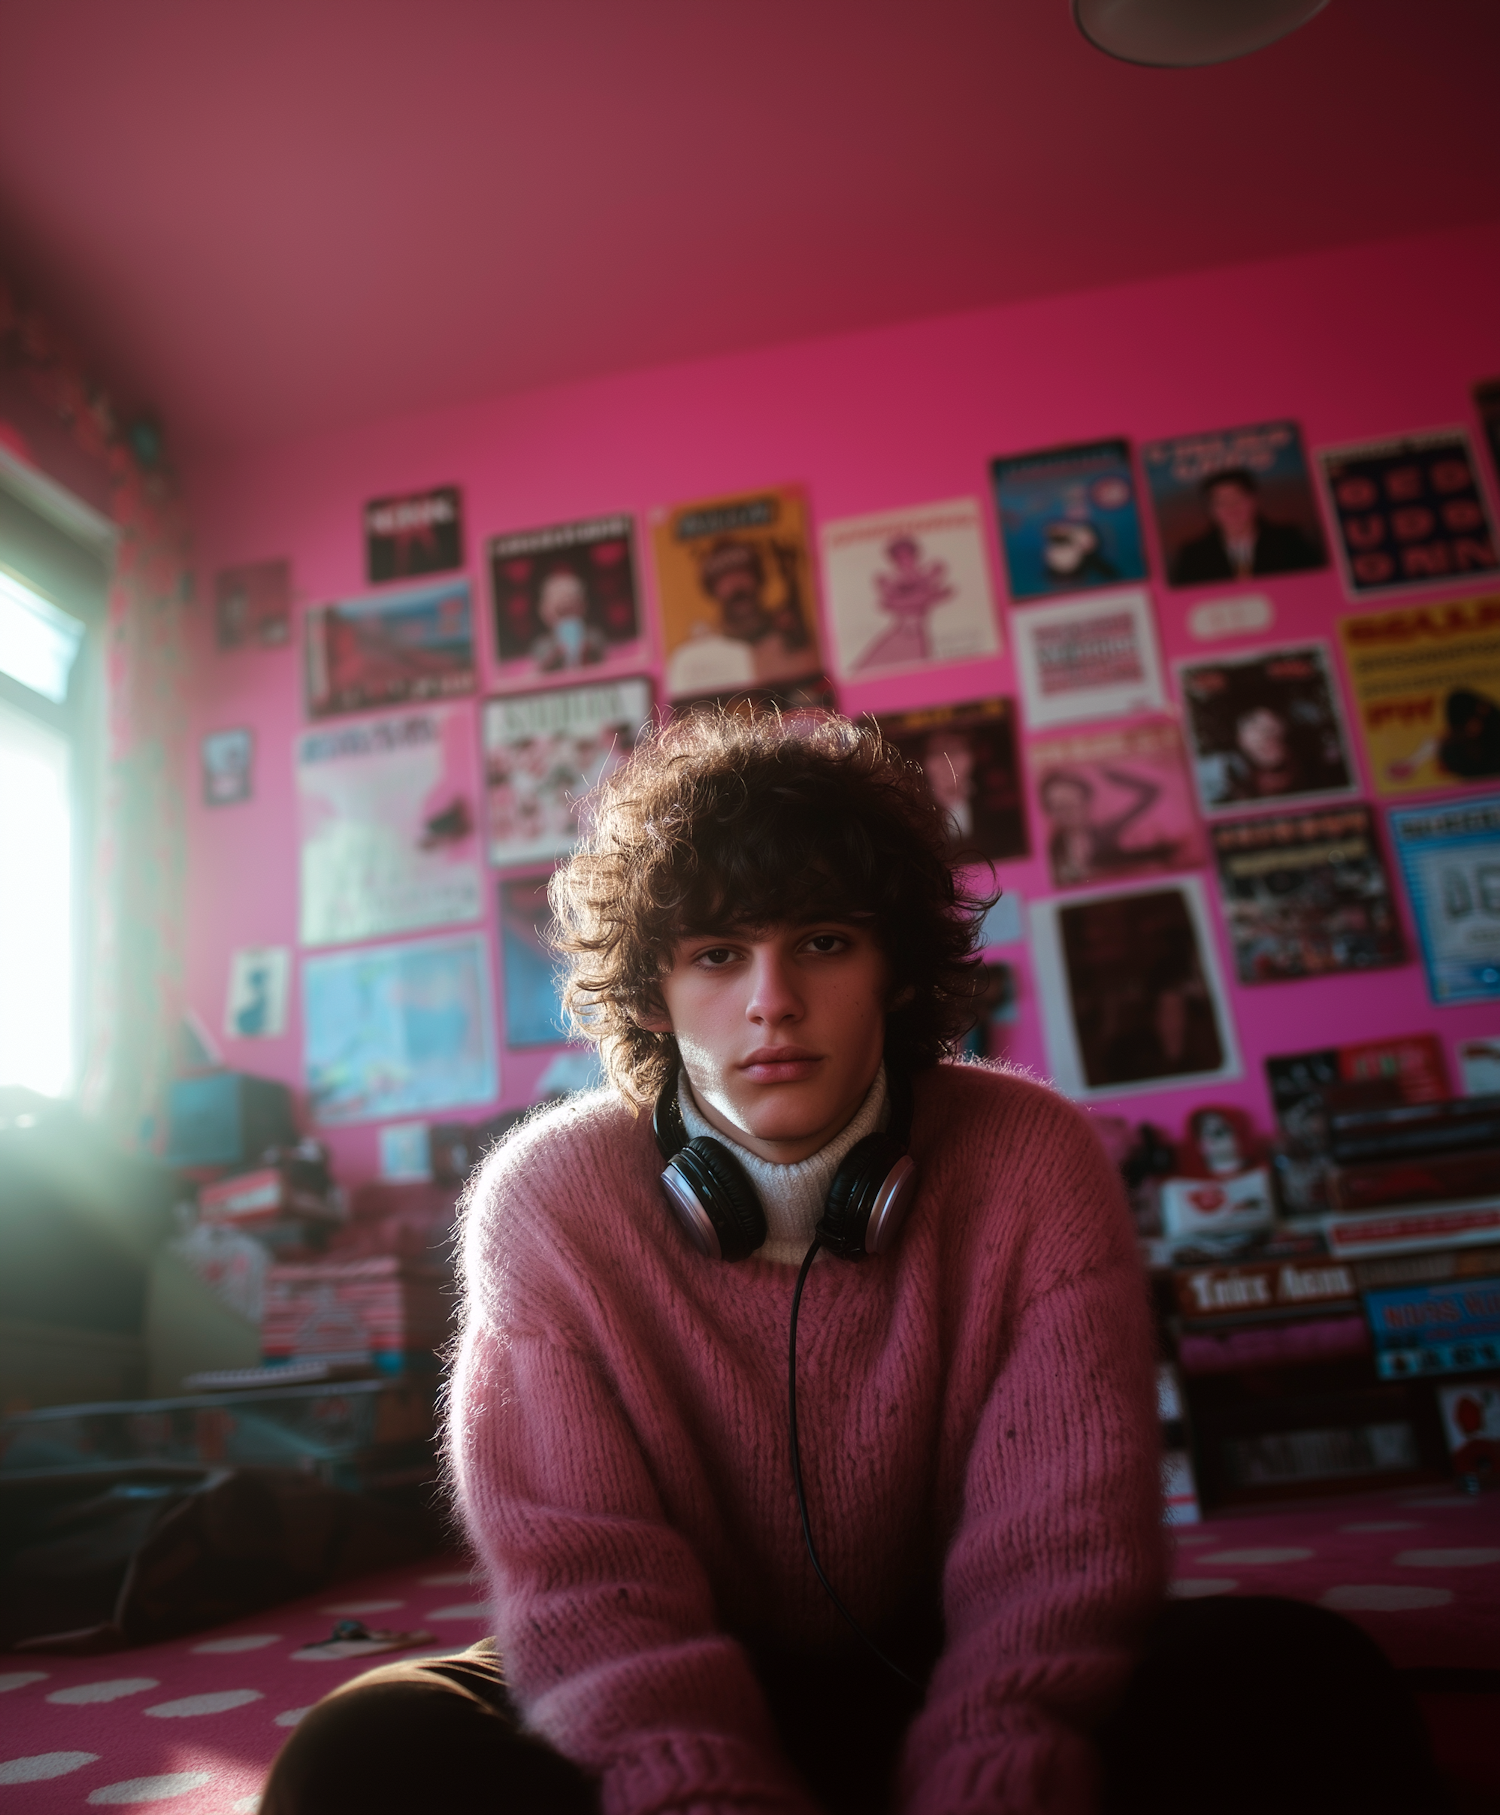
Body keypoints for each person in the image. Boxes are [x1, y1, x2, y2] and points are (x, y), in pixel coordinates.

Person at [262, 712, 1448, 1815]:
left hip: (952, 1659)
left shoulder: (1034, 1160)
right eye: (718, 954)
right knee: (364, 1752)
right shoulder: (547, 1200)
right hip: (663, 1683)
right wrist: (698, 1793)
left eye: (823, 943)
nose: (772, 1002)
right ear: (655, 992)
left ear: (896, 968)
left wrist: (1001, 1756)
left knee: (1308, 1676)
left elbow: (1063, 1542)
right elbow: (581, 1580)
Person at [1169, 469, 1323, 585]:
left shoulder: (1290, 540)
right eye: (1221, 502)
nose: (1231, 508)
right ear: (1209, 509)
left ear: (1254, 500)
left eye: (1238, 499)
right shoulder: (1193, 555)